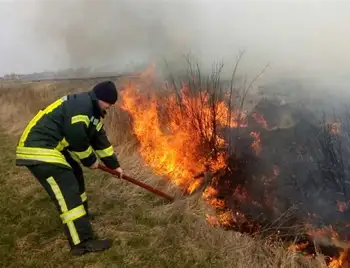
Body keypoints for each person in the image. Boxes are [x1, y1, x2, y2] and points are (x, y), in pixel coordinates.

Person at [15, 80, 123, 256]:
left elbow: (99, 140)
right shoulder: (82, 107)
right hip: (39, 148)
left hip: (53, 146)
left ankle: (83, 217)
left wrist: (115, 166)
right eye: (109, 102)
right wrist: (90, 161)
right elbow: (77, 137)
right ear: (99, 97)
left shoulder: (93, 111)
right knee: (68, 188)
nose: (111, 106)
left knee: (75, 172)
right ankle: (82, 242)